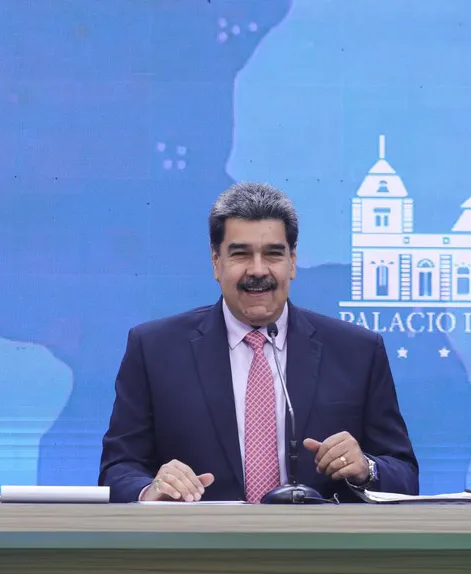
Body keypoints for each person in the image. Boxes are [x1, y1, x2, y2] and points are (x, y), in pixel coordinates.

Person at [98, 182, 418, 503]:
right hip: (201, 535)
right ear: (216, 262)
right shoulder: (154, 350)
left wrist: (367, 469)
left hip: (320, 535)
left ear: (292, 262)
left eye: (273, 254)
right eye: (241, 254)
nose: (258, 270)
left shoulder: (357, 352)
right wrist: (151, 489)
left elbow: (404, 475)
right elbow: (118, 469)